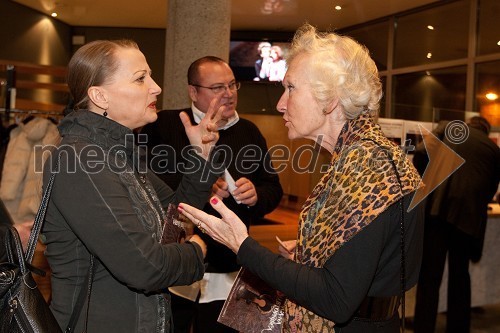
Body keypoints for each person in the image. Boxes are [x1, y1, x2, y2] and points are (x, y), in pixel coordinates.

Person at [177, 23, 425, 332]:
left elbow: (334, 298)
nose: (281, 103)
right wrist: (315, 254)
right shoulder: (364, 156)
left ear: (330, 99)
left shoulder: (366, 165)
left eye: (291, 88)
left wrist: (241, 244)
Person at [41, 39, 225, 333]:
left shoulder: (115, 154)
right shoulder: (79, 160)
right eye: (141, 78)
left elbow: (174, 217)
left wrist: (201, 157)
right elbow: (144, 267)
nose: (156, 87)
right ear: (99, 96)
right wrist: (194, 251)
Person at [141, 56, 283, 333]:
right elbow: (146, 185)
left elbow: (273, 189)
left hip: (226, 267)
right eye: (217, 88)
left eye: (232, 85)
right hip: (174, 263)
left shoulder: (249, 132)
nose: (228, 94)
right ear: (193, 91)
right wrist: (199, 183)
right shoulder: (165, 124)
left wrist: (256, 196)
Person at [412, 116, 500, 333]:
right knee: (460, 274)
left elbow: (422, 151)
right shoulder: (492, 148)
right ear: (486, 131)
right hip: (467, 217)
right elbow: (491, 187)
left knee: (430, 276)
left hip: (438, 210)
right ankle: (458, 328)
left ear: (468, 124)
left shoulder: (451, 128)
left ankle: (424, 327)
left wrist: (427, 183)